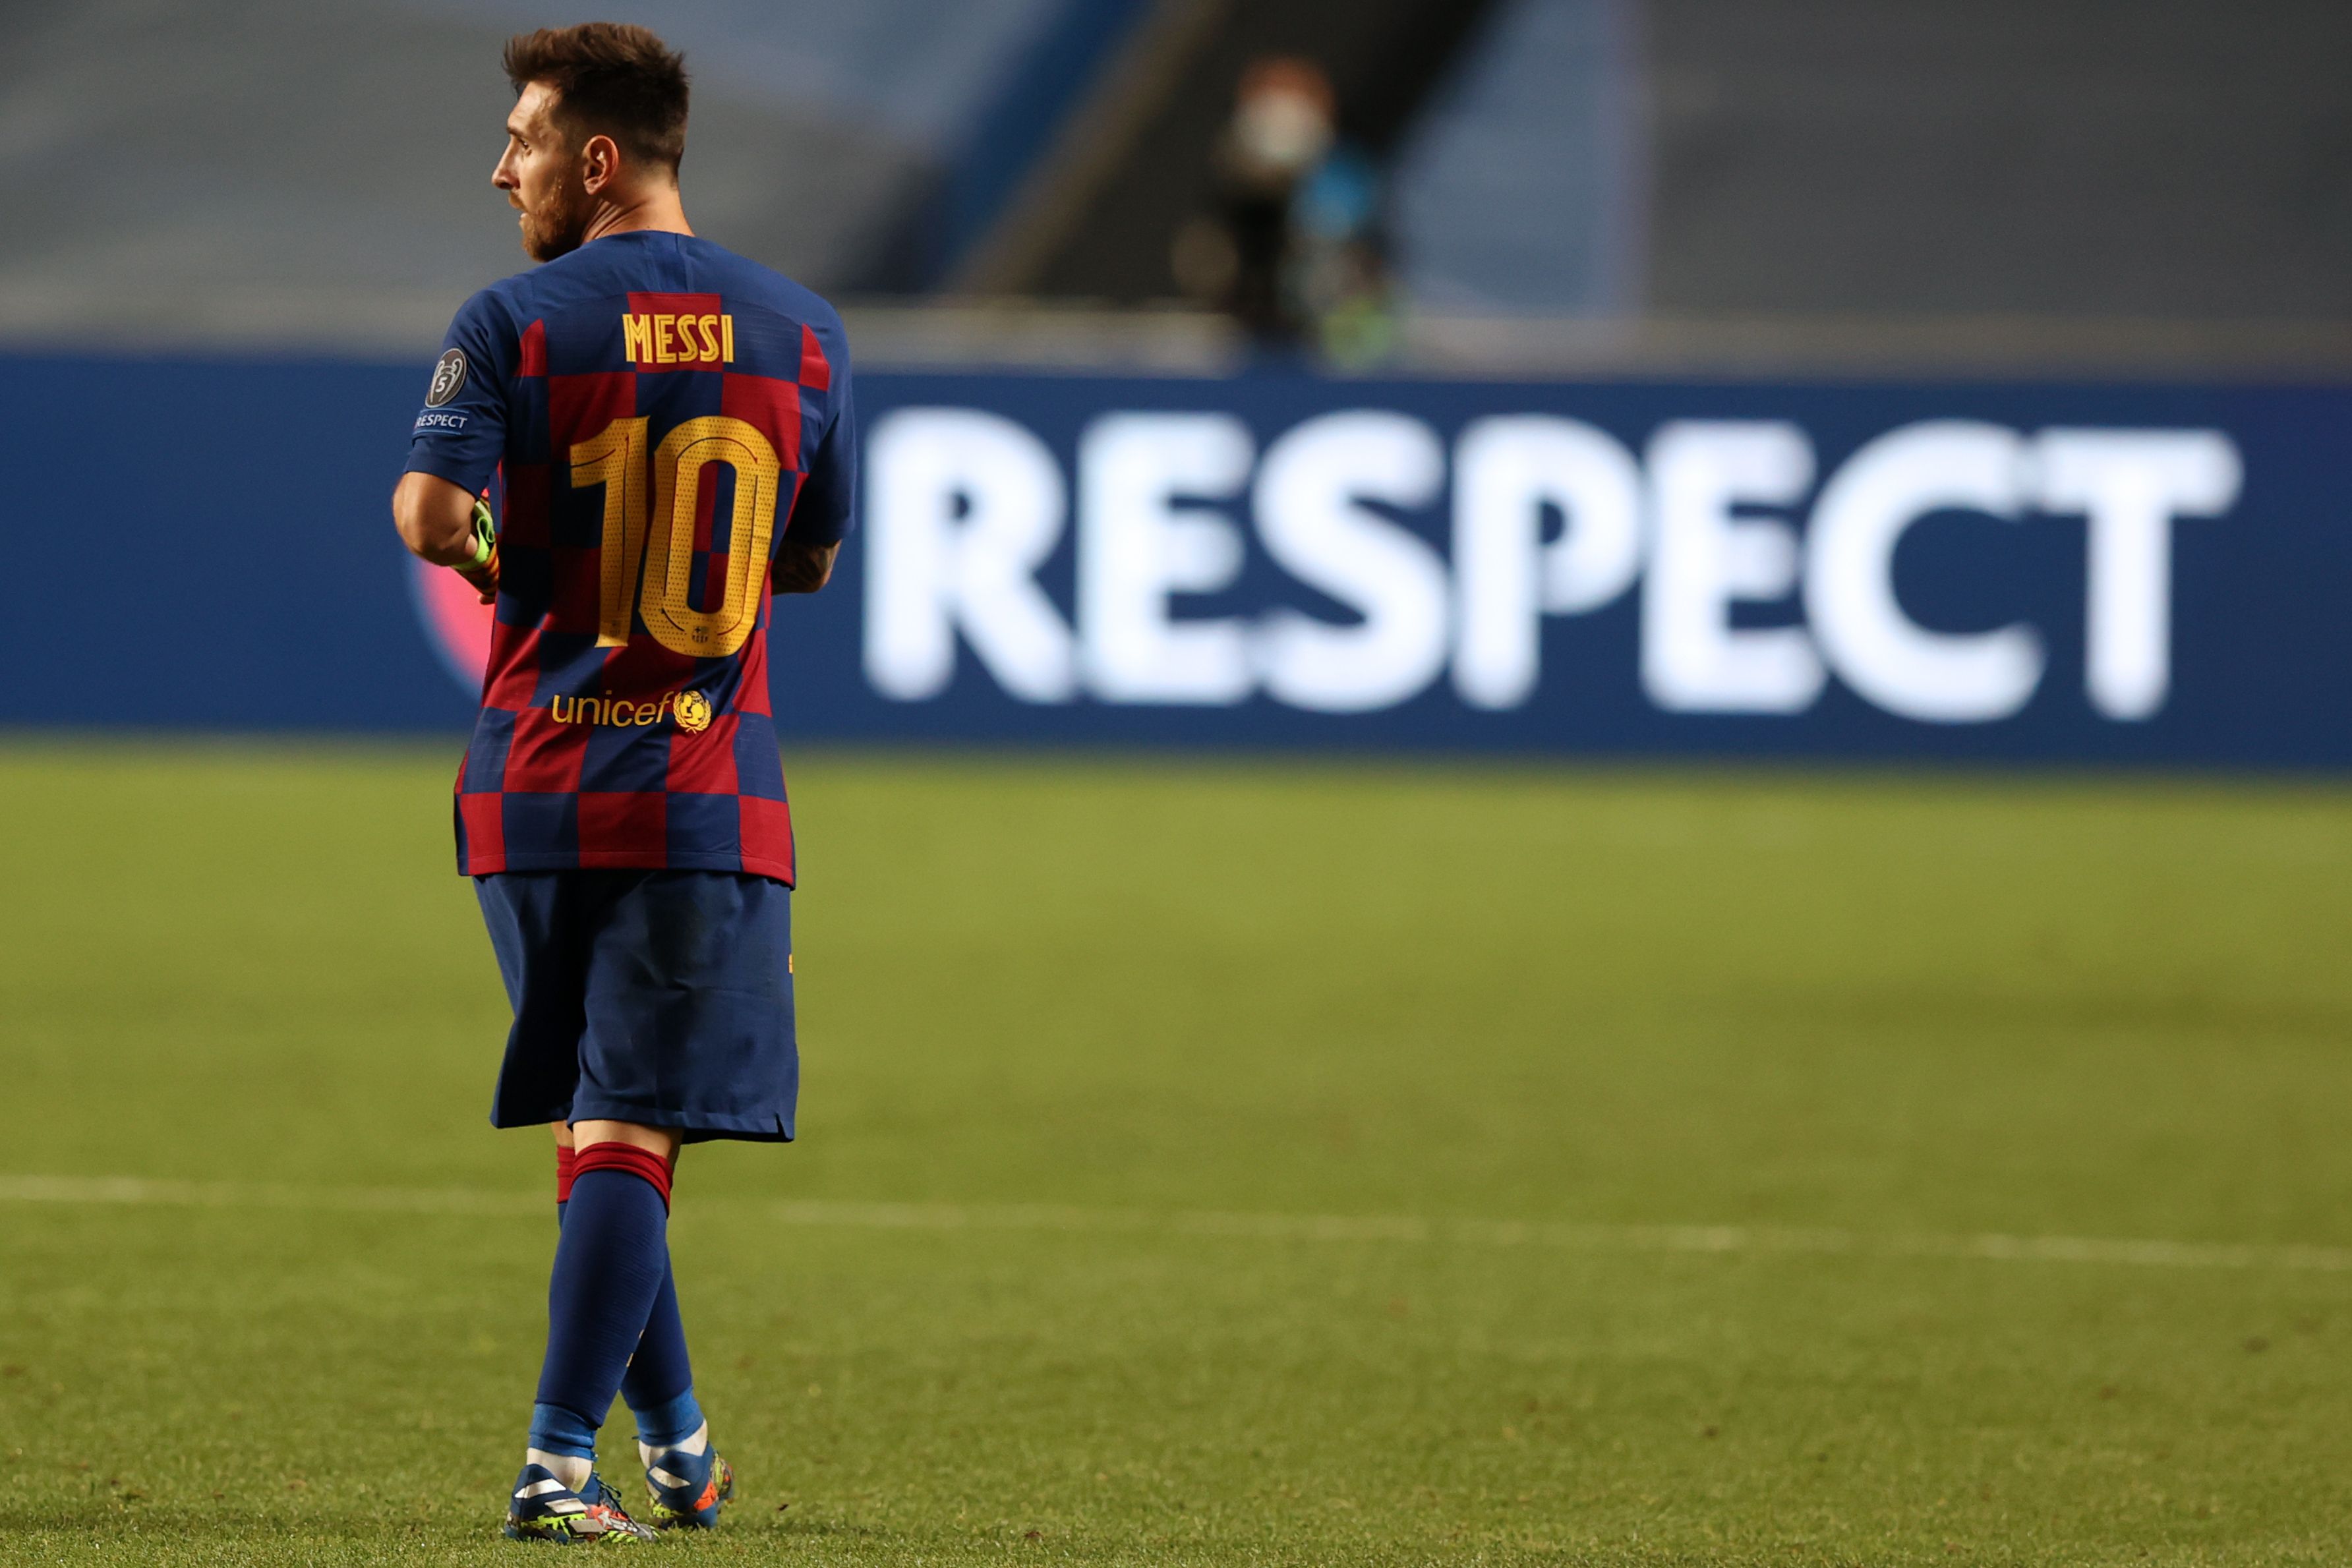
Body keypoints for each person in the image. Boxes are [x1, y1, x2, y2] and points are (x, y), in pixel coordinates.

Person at [388, 22, 854, 1544]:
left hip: (523, 790)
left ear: (596, 161)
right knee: (633, 1125)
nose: (500, 168)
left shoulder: (512, 321)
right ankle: (553, 1464)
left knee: (603, 1124)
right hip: (693, 792)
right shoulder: (801, 333)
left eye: (521, 139)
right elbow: (808, 558)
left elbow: (427, 513)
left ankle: (679, 1439)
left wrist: (501, 557)